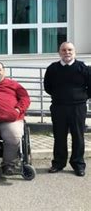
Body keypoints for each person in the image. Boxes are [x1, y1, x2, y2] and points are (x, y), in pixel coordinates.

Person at [44, 42, 90, 177]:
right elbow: (47, 87)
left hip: (78, 107)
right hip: (59, 107)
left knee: (78, 136)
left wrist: (82, 97)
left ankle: (78, 165)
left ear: (74, 52)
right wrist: (60, 96)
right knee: (59, 136)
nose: (67, 52)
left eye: (70, 50)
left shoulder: (83, 68)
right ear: (59, 52)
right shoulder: (52, 68)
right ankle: (58, 163)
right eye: (63, 50)